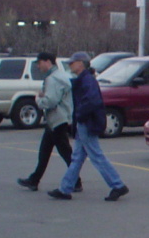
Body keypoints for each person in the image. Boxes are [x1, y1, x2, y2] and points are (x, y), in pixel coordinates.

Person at [48, 52, 129, 201]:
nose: (70, 65)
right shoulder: (83, 79)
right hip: (84, 122)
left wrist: (79, 116)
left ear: (81, 63)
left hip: (87, 123)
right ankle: (65, 189)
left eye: (73, 62)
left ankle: (117, 185)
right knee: (77, 157)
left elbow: (91, 102)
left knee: (96, 155)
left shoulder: (87, 81)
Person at [17, 52, 81, 192]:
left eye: (39, 63)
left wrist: (38, 100)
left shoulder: (53, 79)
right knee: (46, 152)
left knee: (64, 152)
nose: (38, 66)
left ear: (48, 61)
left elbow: (50, 101)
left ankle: (75, 181)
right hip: (58, 119)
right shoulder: (59, 76)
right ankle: (34, 180)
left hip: (57, 119)